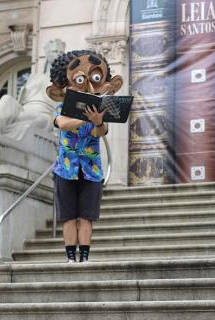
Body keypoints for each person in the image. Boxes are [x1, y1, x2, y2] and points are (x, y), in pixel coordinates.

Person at [49, 50, 123, 262]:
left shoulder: (98, 107)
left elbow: (100, 132)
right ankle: (70, 258)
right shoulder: (60, 107)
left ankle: (85, 257)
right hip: (65, 169)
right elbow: (61, 123)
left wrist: (97, 121)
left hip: (91, 170)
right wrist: (84, 118)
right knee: (68, 217)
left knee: (86, 216)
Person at [0, 39, 66, 138]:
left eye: (61, 52)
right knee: (6, 99)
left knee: (23, 119)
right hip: (23, 109)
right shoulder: (34, 77)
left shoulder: (64, 81)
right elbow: (21, 99)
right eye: (55, 51)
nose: (58, 54)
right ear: (47, 54)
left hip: (44, 114)